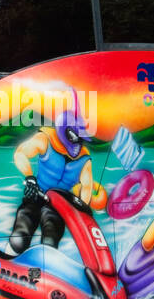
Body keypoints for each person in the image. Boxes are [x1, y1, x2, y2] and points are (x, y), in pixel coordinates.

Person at [9, 89, 100, 253]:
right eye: (75, 137)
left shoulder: (85, 160)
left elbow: (86, 187)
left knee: (50, 241)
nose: (78, 143)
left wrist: (81, 207)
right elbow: (20, 153)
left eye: (81, 138)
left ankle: (47, 269)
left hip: (59, 204)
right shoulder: (45, 139)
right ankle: (11, 257)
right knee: (20, 236)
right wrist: (29, 178)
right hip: (37, 193)